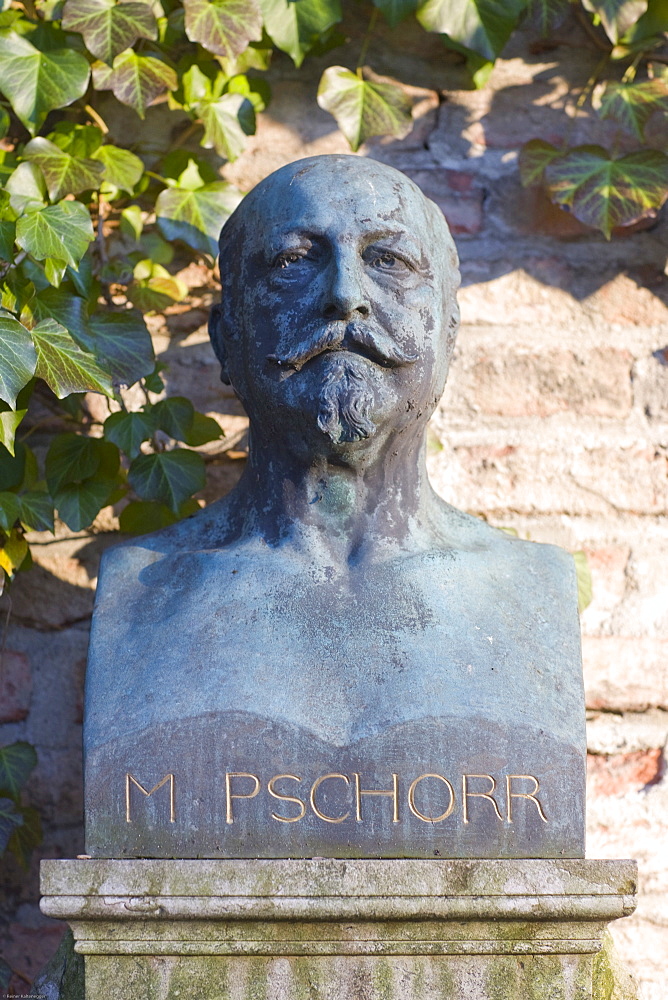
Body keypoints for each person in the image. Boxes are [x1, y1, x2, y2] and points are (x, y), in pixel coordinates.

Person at [84, 155, 585, 859]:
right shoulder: (143, 596)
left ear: (448, 331)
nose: (345, 294)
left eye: (389, 260)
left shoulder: (530, 594)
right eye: (292, 261)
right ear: (226, 337)